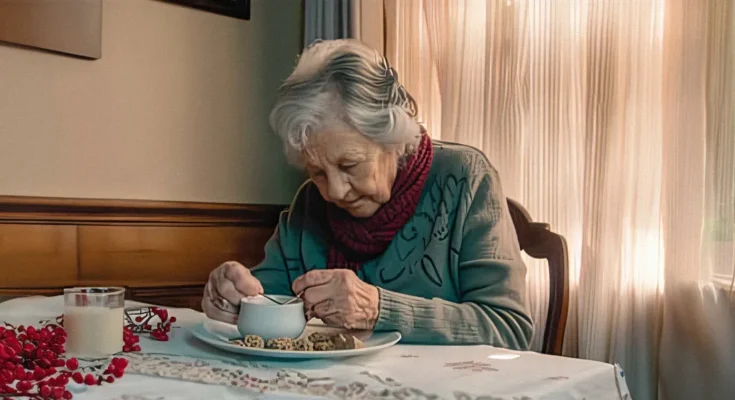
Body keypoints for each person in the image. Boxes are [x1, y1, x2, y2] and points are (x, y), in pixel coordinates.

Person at [202, 39, 533, 350]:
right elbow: (266, 298)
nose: (333, 191)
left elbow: (510, 328)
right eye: (316, 172)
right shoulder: (309, 202)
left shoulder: (465, 178)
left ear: (393, 138)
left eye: (349, 165)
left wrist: (380, 309)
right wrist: (233, 297)